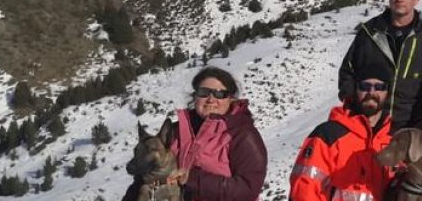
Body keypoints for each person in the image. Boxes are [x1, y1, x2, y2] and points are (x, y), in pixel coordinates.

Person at [122, 67, 267, 201]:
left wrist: (193, 179)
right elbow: (150, 171)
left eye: (219, 94)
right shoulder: (177, 130)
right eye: (204, 92)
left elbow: (248, 190)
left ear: (231, 99)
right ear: (195, 96)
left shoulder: (242, 134)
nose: (211, 99)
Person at [337, 0, 422, 128]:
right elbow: (348, 70)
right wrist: (353, 104)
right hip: (369, 125)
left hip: (411, 126)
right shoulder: (369, 33)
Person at [290, 61, 395, 201]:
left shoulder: (394, 139)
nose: (371, 92)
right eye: (365, 86)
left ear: (388, 93)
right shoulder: (329, 135)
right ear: (355, 90)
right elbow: (305, 192)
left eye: (379, 87)